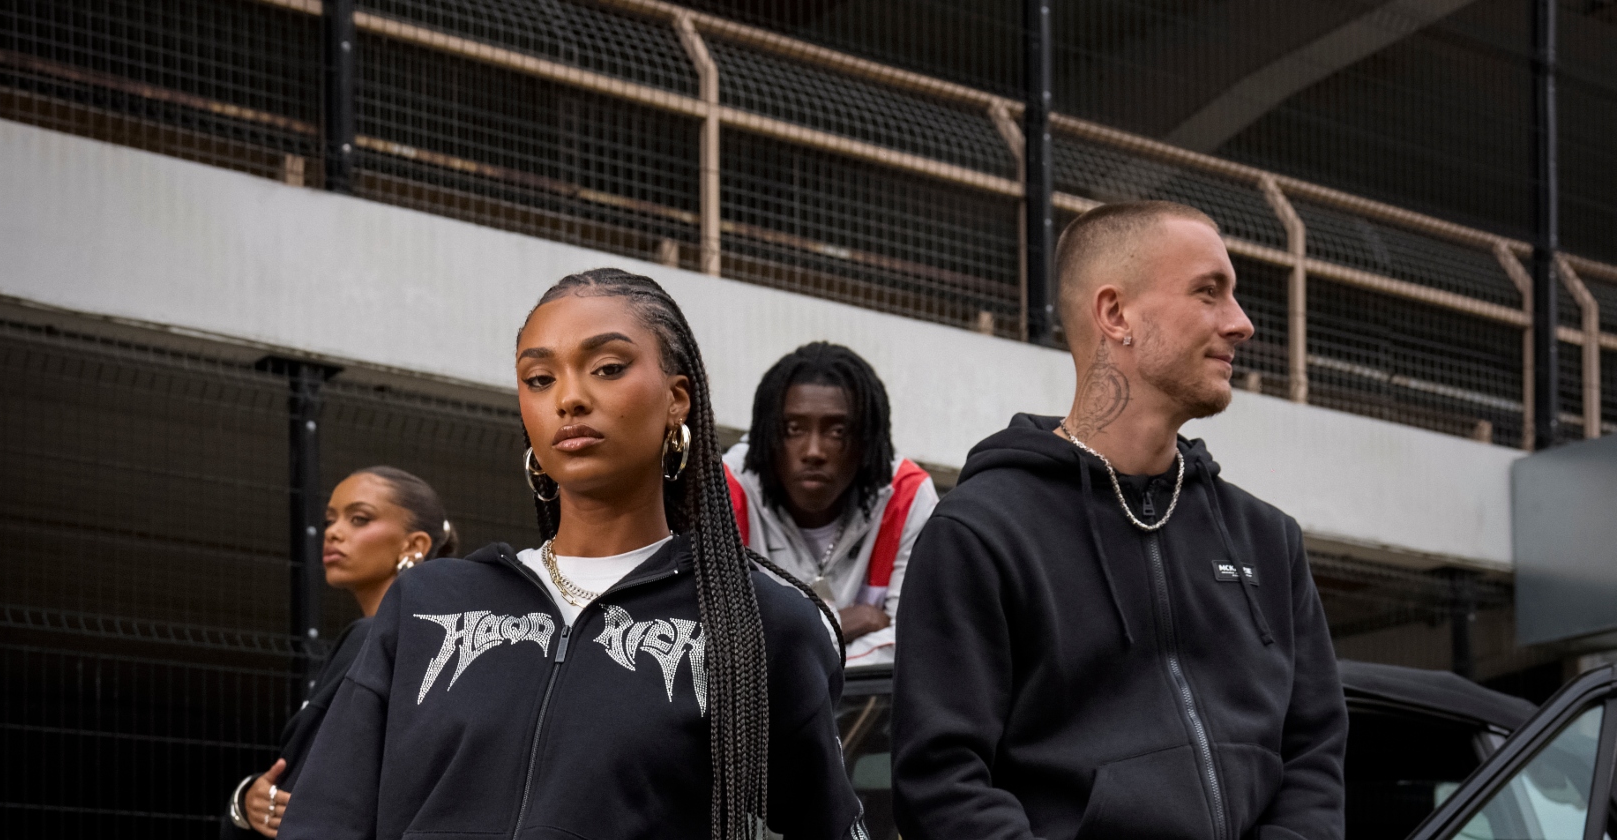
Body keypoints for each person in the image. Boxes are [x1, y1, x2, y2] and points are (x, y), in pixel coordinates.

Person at [279, 268, 865, 840]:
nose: (570, 398)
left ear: (677, 399)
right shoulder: (427, 605)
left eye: (608, 368)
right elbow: (325, 817)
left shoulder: (758, 622)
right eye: (539, 378)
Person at [892, 201, 1347, 840]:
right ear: (1115, 314)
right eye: (1208, 292)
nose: (1241, 323)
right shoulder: (982, 533)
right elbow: (943, 784)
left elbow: (1314, 758)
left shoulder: (1268, 540)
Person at [221, 466, 456, 839]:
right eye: (330, 520)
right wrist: (246, 800)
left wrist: (242, 807)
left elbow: (308, 784)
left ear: (414, 545)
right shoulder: (442, 646)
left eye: (359, 519)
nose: (333, 532)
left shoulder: (371, 639)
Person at [722, 342, 937, 667]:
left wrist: (790, 656)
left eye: (837, 432)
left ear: (866, 440)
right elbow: (715, 645)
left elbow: (916, 645)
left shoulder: (906, 494)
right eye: (794, 429)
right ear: (768, 433)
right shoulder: (726, 489)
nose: (813, 451)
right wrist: (841, 623)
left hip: (868, 704)